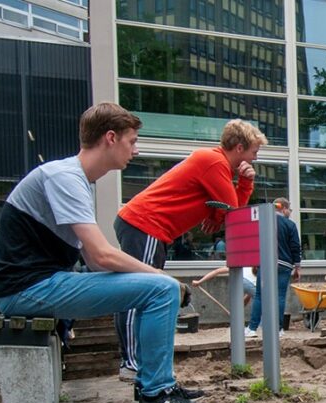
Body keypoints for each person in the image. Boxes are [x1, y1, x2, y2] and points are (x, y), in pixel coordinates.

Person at [0, 102, 217, 403]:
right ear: (111, 137)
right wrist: (164, 279)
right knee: (160, 289)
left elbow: (94, 262)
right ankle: (156, 397)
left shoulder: (74, 179)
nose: (135, 150)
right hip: (26, 289)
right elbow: (100, 256)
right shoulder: (64, 177)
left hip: (35, 284)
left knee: (153, 288)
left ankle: (151, 387)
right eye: (132, 141)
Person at [115, 118, 267, 382]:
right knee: (137, 293)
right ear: (240, 148)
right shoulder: (214, 161)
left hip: (151, 229)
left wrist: (218, 212)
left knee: (143, 292)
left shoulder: (214, 164)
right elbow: (232, 212)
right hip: (146, 225)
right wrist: (243, 186)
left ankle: (136, 362)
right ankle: (131, 362)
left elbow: (226, 214)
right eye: (254, 151)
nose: (255, 158)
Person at [245, 198, 300, 338]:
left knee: (259, 296)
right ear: (284, 208)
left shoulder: (262, 223)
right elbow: (295, 247)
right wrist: (297, 266)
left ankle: (252, 328)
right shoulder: (290, 224)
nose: (290, 212)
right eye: (290, 210)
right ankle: (278, 328)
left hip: (265, 263)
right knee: (280, 296)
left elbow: (254, 243)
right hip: (285, 264)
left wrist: (255, 262)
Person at [192, 266, 256, 306]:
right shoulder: (249, 269)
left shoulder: (240, 266)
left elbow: (216, 271)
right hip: (250, 284)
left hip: (237, 281)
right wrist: (199, 281)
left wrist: (200, 281)